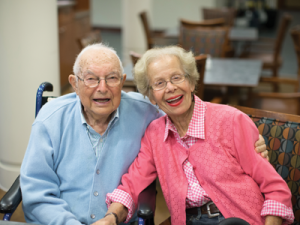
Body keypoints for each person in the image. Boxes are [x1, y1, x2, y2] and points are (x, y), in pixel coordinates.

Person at [20, 43, 267, 225]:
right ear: (74, 83)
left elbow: (182, 121)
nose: (102, 88)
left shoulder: (148, 115)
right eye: (92, 79)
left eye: (112, 78)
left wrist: (245, 138)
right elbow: (37, 193)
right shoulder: (50, 119)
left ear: (123, 80)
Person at [100, 46, 294, 225]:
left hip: (240, 220)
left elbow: (276, 190)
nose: (170, 88)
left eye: (177, 78)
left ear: (192, 82)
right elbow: (133, 183)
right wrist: (111, 217)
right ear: (152, 97)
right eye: (159, 83)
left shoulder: (231, 121)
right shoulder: (154, 134)